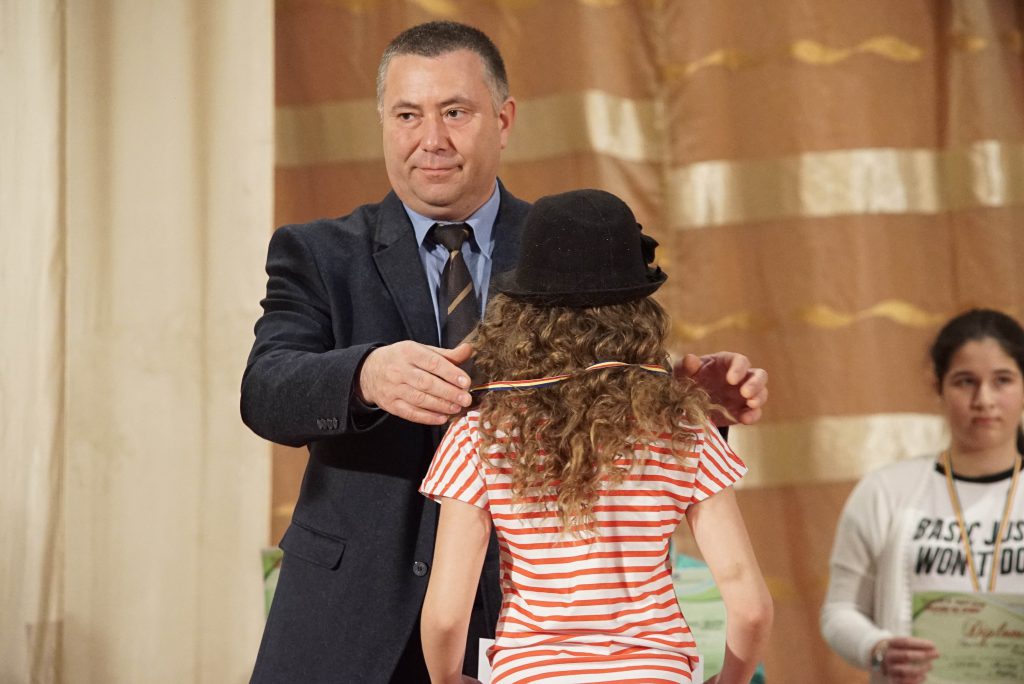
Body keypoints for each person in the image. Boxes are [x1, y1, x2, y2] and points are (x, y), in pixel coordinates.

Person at [241, 21, 768, 684]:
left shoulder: (565, 247)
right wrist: (366, 375)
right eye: (407, 115)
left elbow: (614, 407)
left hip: (522, 635)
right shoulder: (317, 252)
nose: (431, 139)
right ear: (383, 122)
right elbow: (266, 390)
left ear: (504, 119)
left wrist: (691, 400)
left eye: (455, 112)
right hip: (345, 619)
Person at [418, 189, 774, 684]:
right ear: (641, 315)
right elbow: (751, 606)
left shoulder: (479, 437)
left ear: (518, 314)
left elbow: (445, 616)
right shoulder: (685, 429)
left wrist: (448, 680)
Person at [821, 308, 1024, 684]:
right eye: (965, 381)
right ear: (938, 387)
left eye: (1002, 380)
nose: (984, 399)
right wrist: (878, 648)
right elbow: (839, 610)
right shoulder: (885, 491)